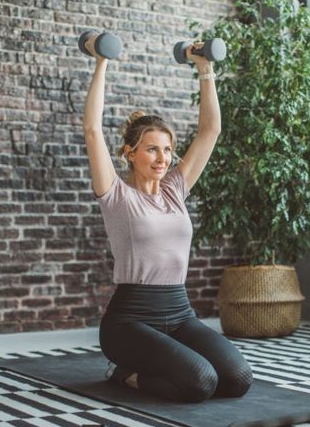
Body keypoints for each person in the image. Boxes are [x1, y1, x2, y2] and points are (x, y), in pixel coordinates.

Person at [83, 40, 252, 403]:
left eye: (167, 149)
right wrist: (101, 62)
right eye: (151, 149)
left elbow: (210, 131)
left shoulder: (176, 188)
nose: (163, 158)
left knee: (237, 378)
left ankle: (161, 365)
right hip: (129, 322)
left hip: (179, 312)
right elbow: (93, 131)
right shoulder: (116, 194)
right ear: (130, 153)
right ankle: (124, 374)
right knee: (201, 383)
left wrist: (204, 68)